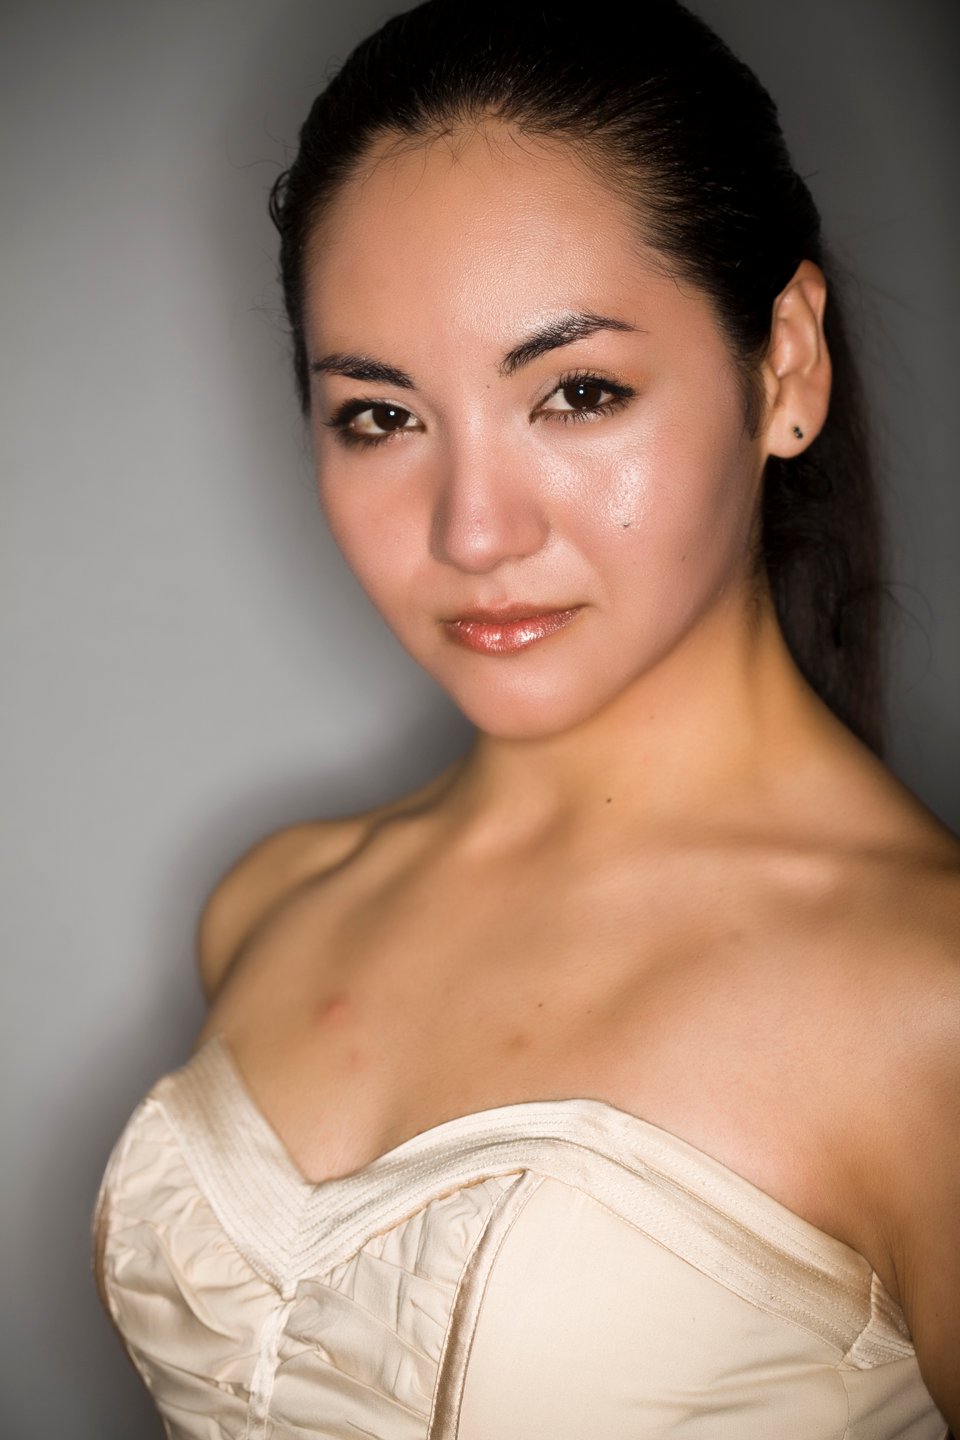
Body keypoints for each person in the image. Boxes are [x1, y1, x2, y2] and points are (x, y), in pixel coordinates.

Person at [91, 1, 959, 1434]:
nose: (474, 531)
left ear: (786, 366)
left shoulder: (927, 1002)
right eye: (382, 416)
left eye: (579, 392)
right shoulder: (274, 905)